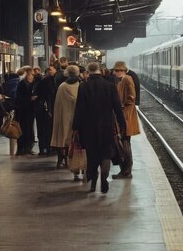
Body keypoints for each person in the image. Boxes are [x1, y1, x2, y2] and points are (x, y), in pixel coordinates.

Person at [73, 61, 126, 193]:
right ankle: (104, 177)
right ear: (100, 71)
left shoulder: (83, 86)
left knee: (92, 155)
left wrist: (76, 127)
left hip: (88, 127)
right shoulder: (110, 86)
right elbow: (117, 107)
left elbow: (79, 109)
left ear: (88, 72)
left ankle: (93, 181)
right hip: (106, 126)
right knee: (106, 153)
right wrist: (122, 123)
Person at [112, 61, 139, 180]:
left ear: (124, 71)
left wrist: (123, 105)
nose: (118, 73)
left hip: (126, 116)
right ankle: (124, 170)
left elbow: (132, 96)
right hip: (123, 116)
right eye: (117, 71)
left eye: (120, 70)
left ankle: (126, 171)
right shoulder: (120, 80)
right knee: (123, 143)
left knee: (125, 144)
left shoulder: (127, 79)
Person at [50, 65, 80, 175]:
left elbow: (57, 104)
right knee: (71, 137)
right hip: (75, 117)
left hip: (63, 116)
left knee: (61, 137)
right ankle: (70, 158)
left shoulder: (62, 87)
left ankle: (60, 159)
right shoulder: (80, 85)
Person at [33, 66, 56, 156]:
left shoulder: (41, 81)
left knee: (41, 129)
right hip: (47, 109)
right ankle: (48, 148)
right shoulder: (50, 81)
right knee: (48, 130)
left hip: (41, 108)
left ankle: (42, 149)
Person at [15, 66, 36, 155]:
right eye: (31, 74)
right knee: (22, 129)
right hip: (22, 111)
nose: (32, 76)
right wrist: (30, 98)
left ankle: (27, 147)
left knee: (29, 129)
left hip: (29, 111)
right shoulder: (22, 83)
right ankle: (21, 148)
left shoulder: (31, 84)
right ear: (27, 74)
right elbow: (20, 97)